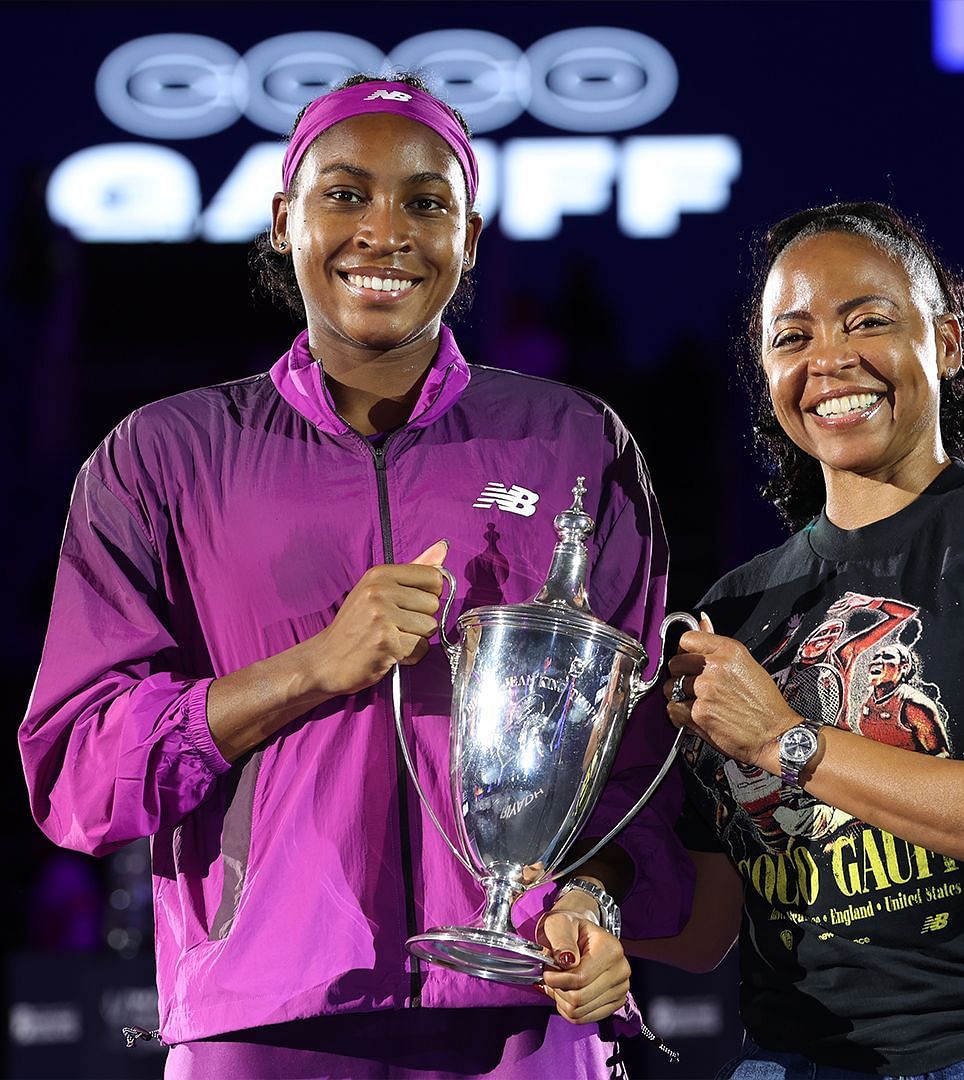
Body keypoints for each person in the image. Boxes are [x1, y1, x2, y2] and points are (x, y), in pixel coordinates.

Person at [19, 73, 691, 1076]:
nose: (386, 231)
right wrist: (313, 667)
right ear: (286, 218)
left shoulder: (575, 444)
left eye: (427, 202)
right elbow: (76, 772)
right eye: (344, 195)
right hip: (261, 1020)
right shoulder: (165, 455)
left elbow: (635, 768)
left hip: (521, 1014)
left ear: (470, 234)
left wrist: (594, 900)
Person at [623, 202, 964, 1077]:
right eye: (792, 336)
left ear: (948, 343)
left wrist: (786, 741)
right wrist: (581, 906)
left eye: (869, 321)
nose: (829, 359)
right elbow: (706, 927)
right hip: (791, 1055)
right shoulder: (733, 611)